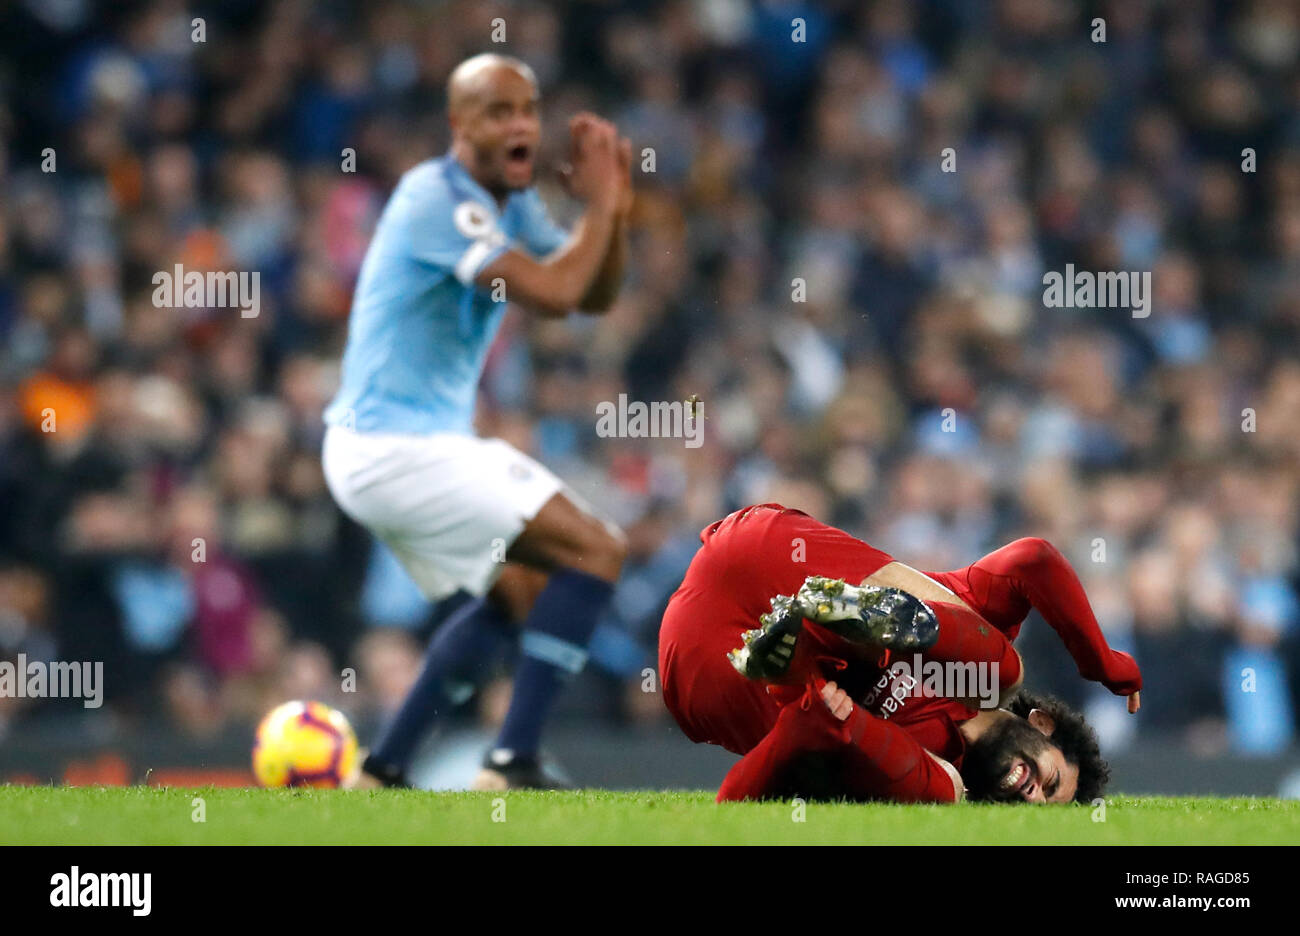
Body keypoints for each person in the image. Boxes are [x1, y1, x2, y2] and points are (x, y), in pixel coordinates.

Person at [322, 53, 633, 789]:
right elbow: (555, 294)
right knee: (596, 549)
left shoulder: (510, 203)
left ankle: (384, 770)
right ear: (459, 124)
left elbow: (592, 295)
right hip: (390, 447)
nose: (521, 124)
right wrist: (601, 206)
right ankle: (511, 760)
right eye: (499, 111)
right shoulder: (437, 197)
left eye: (528, 108)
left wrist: (612, 212)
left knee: (519, 594)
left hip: (411, 447)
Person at [658, 503, 1141, 802]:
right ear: (1042, 724)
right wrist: (1101, 661)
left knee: (941, 790)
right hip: (772, 556)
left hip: (710, 672)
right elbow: (1031, 561)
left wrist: (805, 699)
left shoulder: (938, 773)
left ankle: (805, 666)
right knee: (1001, 670)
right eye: (1051, 783)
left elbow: (740, 790)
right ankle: (863, 616)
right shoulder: (989, 656)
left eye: (1036, 812)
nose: (1031, 797)